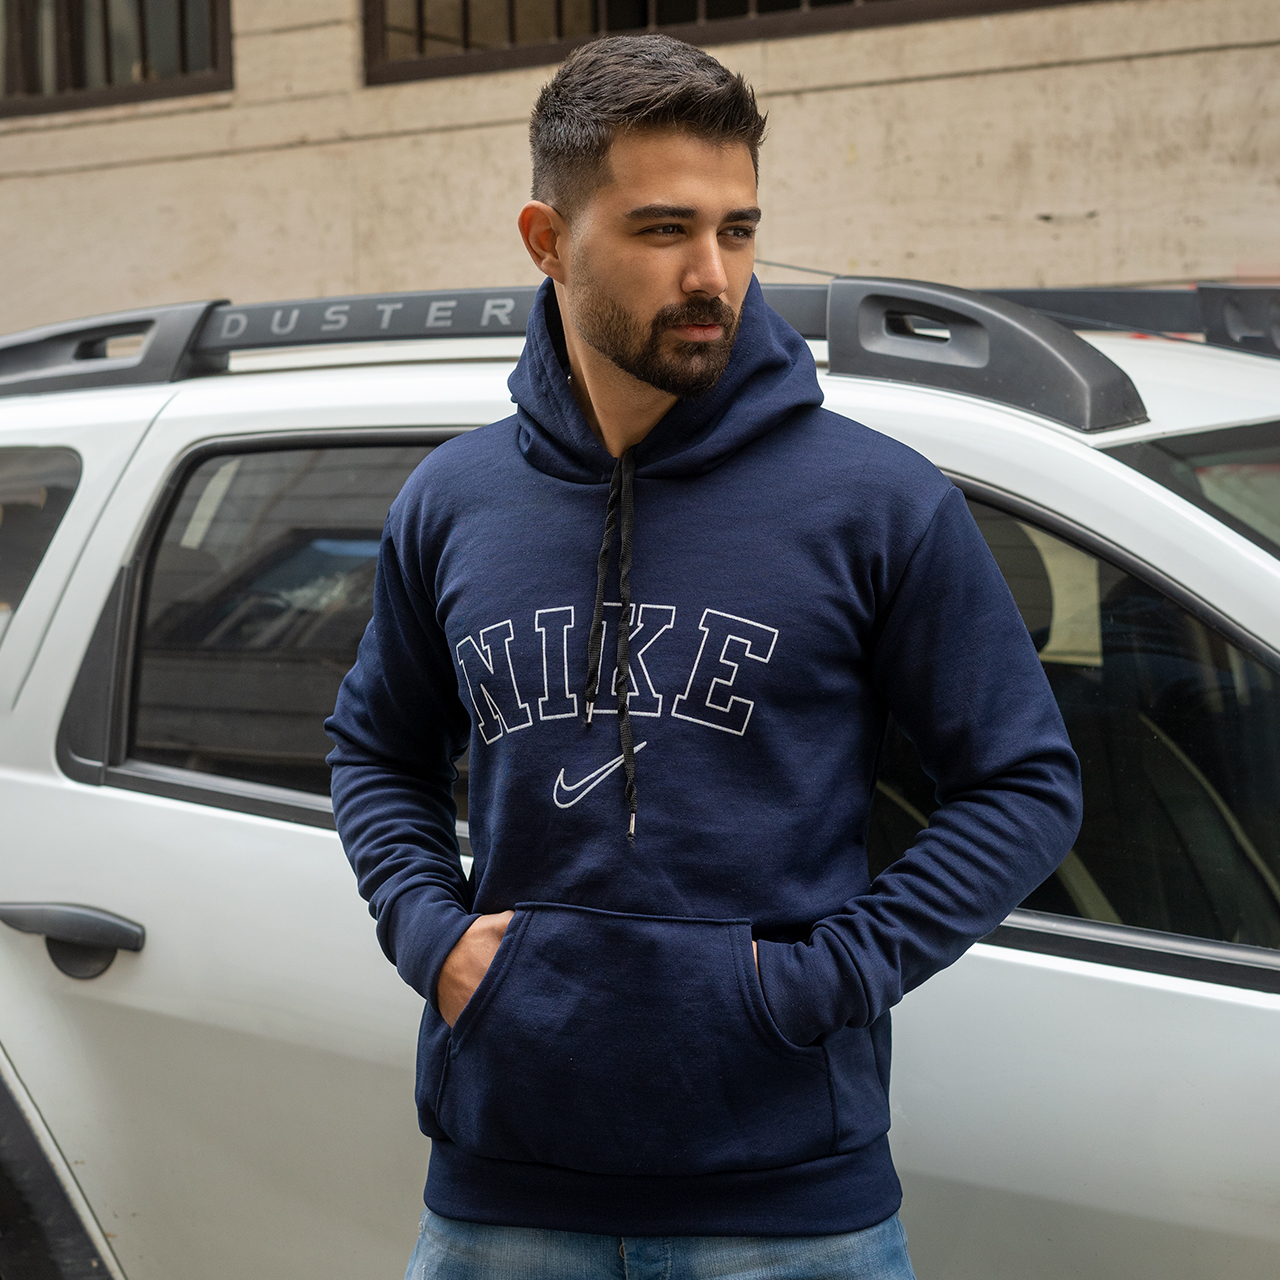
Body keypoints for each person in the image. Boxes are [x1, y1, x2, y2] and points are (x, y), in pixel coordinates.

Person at [325, 33, 1082, 1280]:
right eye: (663, 229)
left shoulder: (875, 502)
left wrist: (819, 978)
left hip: (790, 1209)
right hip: (502, 1191)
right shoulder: (452, 501)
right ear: (546, 239)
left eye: (736, 230)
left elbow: (1022, 781)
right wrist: (429, 935)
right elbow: (375, 749)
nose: (709, 274)